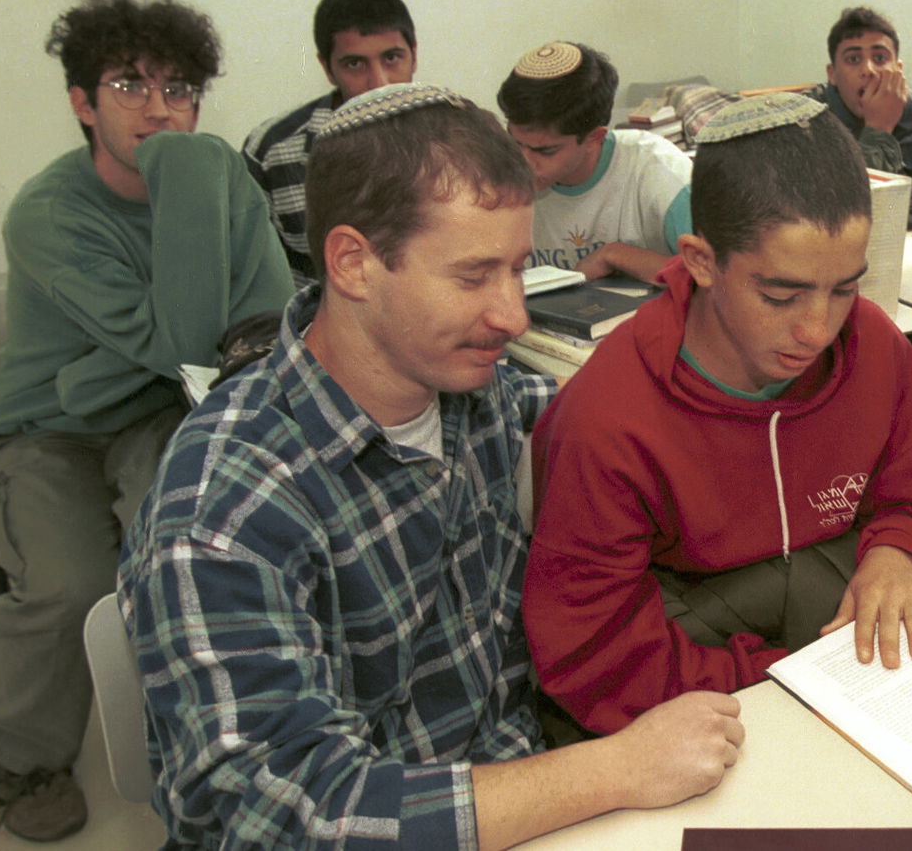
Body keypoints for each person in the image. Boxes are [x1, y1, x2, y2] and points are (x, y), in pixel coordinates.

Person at [119, 84, 745, 849]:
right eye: (473, 276)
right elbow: (292, 819)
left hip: (527, 794)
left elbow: (634, 436)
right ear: (353, 263)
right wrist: (614, 769)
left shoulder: (477, 395)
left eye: (517, 271)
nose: (513, 315)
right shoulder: (224, 509)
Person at [524, 93, 912, 736]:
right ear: (701, 261)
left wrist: (898, 556)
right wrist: (789, 679)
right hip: (711, 695)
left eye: (845, 288)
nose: (818, 329)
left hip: (840, 666)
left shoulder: (877, 348)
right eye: (780, 295)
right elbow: (595, 655)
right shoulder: (607, 420)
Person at [0, 0, 292, 842]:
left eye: (179, 88)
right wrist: (188, 172)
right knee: (71, 584)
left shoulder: (221, 176)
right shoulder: (48, 213)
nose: (159, 109)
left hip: (161, 406)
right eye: (129, 85)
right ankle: (17, 752)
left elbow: (262, 322)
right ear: (82, 103)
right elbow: (185, 338)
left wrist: (115, 367)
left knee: (192, 556)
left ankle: (203, 736)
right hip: (50, 424)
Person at [243, 0, 417, 281]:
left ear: (414, 54)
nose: (379, 83)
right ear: (327, 68)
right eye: (355, 64)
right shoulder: (272, 151)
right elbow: (256, 277)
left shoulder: (456, 139)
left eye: (391, 58)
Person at [497, 41, 692, 281]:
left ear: (594, 137)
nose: (524, 164)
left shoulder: (660, 172)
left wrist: (614, 255)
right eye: (516, 143)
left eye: (545, 151)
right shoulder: (496, 176)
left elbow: (717, 277)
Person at [803, 6, 912, 228]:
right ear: (832, 74)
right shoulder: (808, 119)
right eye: (853, 59)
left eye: (880, 58)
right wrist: (879, 128)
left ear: (898, 69)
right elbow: (843, 213)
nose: (868, 70)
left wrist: (887, 216)